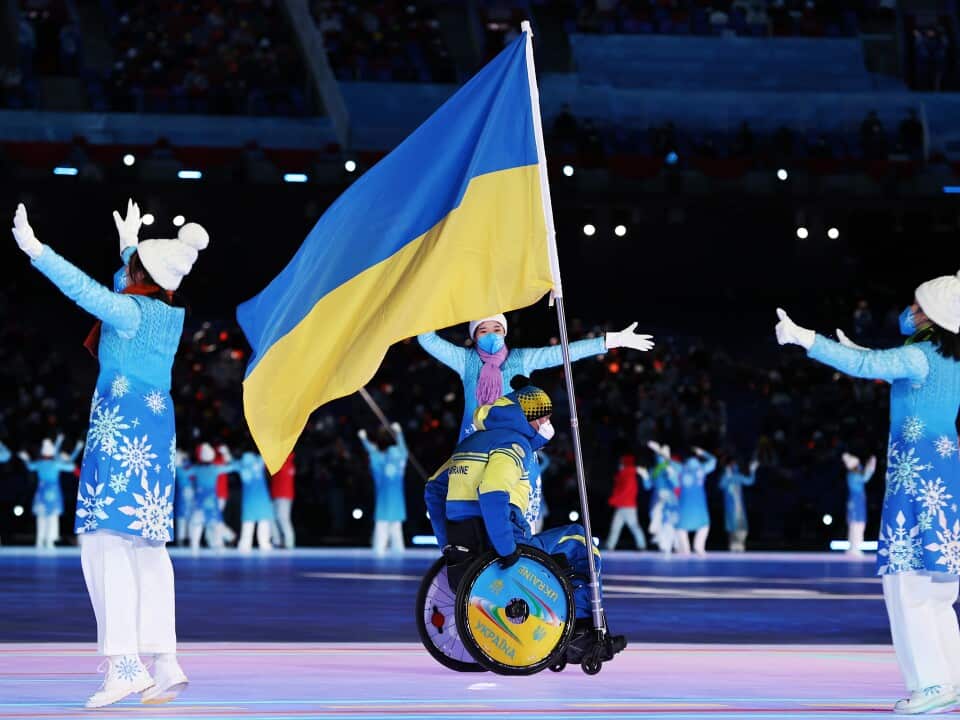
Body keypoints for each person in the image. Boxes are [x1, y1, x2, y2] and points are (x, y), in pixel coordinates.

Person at [11, 199, 208, 707]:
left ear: (140, 275)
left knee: (105, 543)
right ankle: (165, 661)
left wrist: (36, 250)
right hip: (155, 432)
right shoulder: (168, 312)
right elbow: (134, 281)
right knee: (147, 546)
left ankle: (124, 665)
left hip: (122, 430)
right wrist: (129, 248)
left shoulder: (129, 313)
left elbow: (87, 291)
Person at [775, 275, 960, 714]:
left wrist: (805, 338)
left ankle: (932, 685)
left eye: (917, 305)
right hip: (945, 475)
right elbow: (881, 364)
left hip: (915, 479)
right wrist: (863, 352)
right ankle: (951, 679)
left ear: (934, 315)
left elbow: (867, 366)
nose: (909, 311)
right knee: (939, 593)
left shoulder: (919, 355)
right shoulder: (949, 358)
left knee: (907, 587)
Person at [424, 376, 626, 661]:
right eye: (545, 417)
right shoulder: (513, 445)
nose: (547, 423)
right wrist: (508, 550)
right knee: (581, 541)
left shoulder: (469, 443)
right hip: (505, 540)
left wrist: (448, 545)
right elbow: (492, 492)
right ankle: (581, 631)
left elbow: (433, 489)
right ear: (530, 418)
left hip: (466, 548)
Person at [418, 314, 654, 440]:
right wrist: (435, 303)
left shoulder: (521, 359)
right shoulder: (466, 360)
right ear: (474, 336)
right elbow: (426, 339)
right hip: (473, 445)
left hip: (512, 445)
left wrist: (610, 341)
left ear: (505, 332)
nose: (491, 334)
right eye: (483, 330)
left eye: (497, 329)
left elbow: (562, 353)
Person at [19, 436, 80, 549]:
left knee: (41, 517)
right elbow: (71, 467)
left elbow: (29, 467)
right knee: (52, 517)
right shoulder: (55, 464)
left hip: (41, 492)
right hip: (53, 493)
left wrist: (26, 458)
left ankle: (39, 541)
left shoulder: (40, 463)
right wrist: (67, 459)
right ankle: (50, 541)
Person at [358, 422, 408, 554]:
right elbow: (403, 451)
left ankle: (382, 555)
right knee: (394, 539)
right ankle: (392, 556)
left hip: (386, 506)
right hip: (392, 506)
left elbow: (373, 451)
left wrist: (364, 439)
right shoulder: (396, 462)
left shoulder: (382, 461)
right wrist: (399, 433)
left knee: (383, 542)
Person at [189, 443, 240, 551]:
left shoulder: (196, 469)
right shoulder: (214, 469)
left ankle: (196, 545)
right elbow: (234, 466)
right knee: (214, 522)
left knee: (197, 523)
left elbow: (183, 473)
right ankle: (221, 542)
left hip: (200, 502)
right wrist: (227, 455)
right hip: (211, 502)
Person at [677, 447, 717, 556]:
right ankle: (699, 546)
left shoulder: (681, 468)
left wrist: (661, 453)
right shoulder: (701, 469)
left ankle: (685, 548)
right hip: (699, 503)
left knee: (680, 526)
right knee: (704, 525)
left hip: (684, 503)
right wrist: (703, 452)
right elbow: (713, 460)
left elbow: (668, 464)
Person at [643, 441, 680, 556]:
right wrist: (645, 476)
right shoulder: (654, 470)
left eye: (663, 454)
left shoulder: (672, 467)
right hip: (656, 498)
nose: (661, 456)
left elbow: (676, 484)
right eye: (659, 454)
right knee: (657, 519)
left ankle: (672, 545)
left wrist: (671, 474)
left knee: (668, 522)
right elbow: (648, 486)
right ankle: (664, 545)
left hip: (669, 498)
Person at [605, 453, 647, 551]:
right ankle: (610, 546)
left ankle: (642, 545)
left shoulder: (628, 474)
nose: (619, 465)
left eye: (621, 463)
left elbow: (625, 491)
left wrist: (613, 500)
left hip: (628, 506)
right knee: (616, 526)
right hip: (622, 506)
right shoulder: (624, 475)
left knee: (633, 526)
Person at [718, 458, 758, 552]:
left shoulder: (738, 476)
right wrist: (726, 476)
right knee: (732, 525)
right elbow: (721, 486)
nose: (733, 466)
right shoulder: (725, 477)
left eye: (735, 464)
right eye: (732, 464)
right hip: (730, 507)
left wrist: (752, 470)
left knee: (741, 526)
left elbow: (750, 481)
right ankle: (733, 544)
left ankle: (740, 543)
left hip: (739, 506)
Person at [236, 451, 273, 552]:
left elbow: (230, 465)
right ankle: (263, 544)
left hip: (251, 501)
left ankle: (246, 544)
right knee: (261, 523)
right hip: (260, 501)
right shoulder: (258, 462)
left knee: (249, 524)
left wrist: (227, 456)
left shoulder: (242, 466)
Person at [842, 453, 877, 557]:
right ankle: (854, 548)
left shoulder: (855, 474)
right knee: (855, 526)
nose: (859, 466)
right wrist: (870, 467)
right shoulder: (852, 476)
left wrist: (870, 467)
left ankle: (854, 548)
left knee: (858, 525)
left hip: (858, 502)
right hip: (855, 503)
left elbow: (864, 476)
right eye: (858, 465)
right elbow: (865, 477)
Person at [271, 453, 296, 549]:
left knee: (283, 518)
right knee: (272, 518)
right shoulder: (285, 463)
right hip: (277, 495)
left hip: (284, 496)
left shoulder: (284, 464)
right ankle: (277, 541)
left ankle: (289, 543)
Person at [172, 450, 194, 546]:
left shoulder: (184, 468)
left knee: (186, 518)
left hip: (186, 495)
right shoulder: (180, 469)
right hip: (182, 496)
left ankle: (186, 539)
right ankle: (184, 539)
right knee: (183, 518)